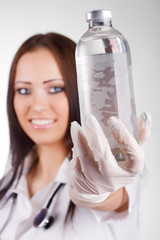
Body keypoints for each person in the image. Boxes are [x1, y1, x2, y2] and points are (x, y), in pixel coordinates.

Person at [0, 32, 151, 240]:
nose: (37, 106)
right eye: (24, 91)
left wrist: (94, 191)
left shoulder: (111, 171)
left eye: (55, 88)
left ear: (81, 90)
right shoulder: (7, 187)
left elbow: (111, 197)